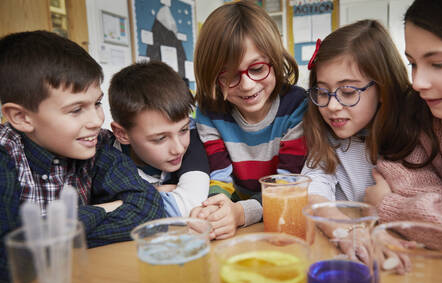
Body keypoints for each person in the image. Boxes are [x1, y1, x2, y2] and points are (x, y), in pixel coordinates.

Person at [0, 31, 165, 283]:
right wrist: (103, 209)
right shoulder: (6, 157)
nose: (96, 120)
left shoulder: (97, 144)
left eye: (97, 103)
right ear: (21, 117)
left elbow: (147, 208)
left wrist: (43, 241)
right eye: (76, 110)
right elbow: (7, 266)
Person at [364, 0, 442, 261]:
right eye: (412, 63)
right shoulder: (418, 111)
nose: (418, 82)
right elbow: (402, 175)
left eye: (439, 64)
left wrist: (390, 206)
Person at [191, 0, 307, 239]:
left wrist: (241, 213)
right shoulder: (208, 112)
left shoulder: (295, 105)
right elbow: (220, 176)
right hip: (239, 223)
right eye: (229, 76)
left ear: (275, 60)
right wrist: (215, 208)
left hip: (279, 222)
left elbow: (286, 186)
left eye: (257, 69)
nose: (246, 85)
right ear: (212, 77)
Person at [301, 19, 412, 204]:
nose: (332, 106)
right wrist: (324, 212)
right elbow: (315, 181)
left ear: (383, 89)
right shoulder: (326, 137)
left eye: (348, 92)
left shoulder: (410, 137)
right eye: (322, 92)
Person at [109, 61, 210, 218]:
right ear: (122, 134)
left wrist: (129, 202)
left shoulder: (193, 141)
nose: (178, 148)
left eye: (183, 130)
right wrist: (157, 194)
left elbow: (188, 206)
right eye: (160, 138)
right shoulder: (108, 160)